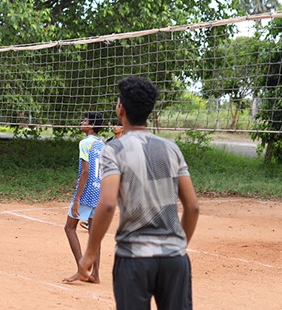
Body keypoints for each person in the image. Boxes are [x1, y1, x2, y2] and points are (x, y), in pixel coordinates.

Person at [76, 76, 200, 309]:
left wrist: (90, 253)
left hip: (134, 257)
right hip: (174, 259)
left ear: (120, 108)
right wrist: (178, 247)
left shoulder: (114, 149)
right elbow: (192, 206)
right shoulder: (171, 149)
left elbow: (108, 204)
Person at [63, 111, 105, 283]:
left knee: (69, 228)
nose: (82, 122)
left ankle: (82, 270)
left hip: (87, 192)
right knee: (94, 233)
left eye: (85, 120)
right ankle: (95, 274)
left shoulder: (85, 143)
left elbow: (86, 171)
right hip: (100, 190)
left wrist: (78, 198)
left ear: (91, 125)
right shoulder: (102, 143)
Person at [80, 120, 123, 231]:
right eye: (114, 124)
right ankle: (93, 221)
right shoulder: (109, 142)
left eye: (118, 125)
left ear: (123, 128)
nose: (115, 127)